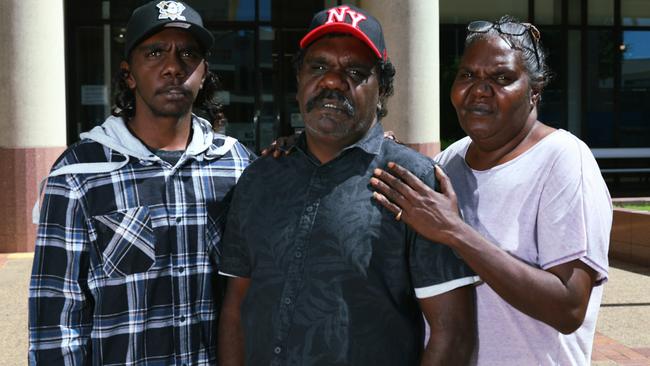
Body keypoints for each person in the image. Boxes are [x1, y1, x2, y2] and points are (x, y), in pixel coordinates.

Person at [217, 5, 479, 366]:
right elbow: (236, 309)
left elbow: (454, 336)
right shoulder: (260, 177)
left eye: (355, 72)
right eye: (319, 66)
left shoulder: (414, 182)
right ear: (299, 78)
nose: (332, 81)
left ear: (382, 88)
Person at [371, 15, 612, 365]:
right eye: (468, 75)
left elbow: (569, 307)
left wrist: (455, 231)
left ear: (535, 91)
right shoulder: (450, 161)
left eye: (502, 78)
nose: (480, 89)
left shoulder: (563, 160)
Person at [28, 1, 254, 364]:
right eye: (155, 52)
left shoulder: (237, 164)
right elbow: (56, 324)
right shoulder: (77, 177)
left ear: (203, 72)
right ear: (129, 74)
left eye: (188, 54)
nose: (173, 67)